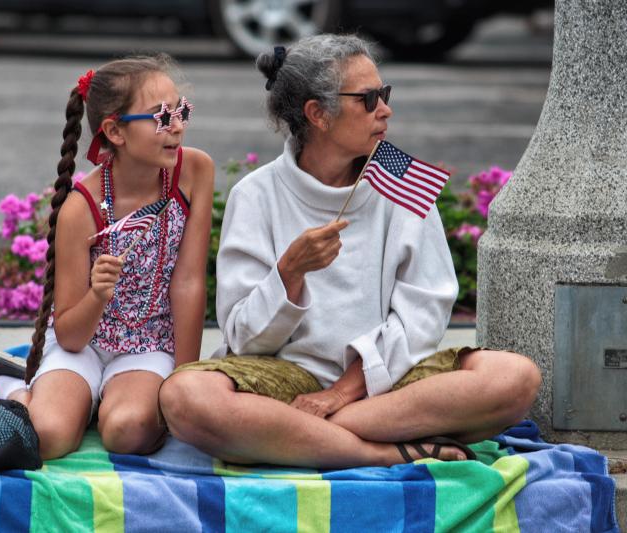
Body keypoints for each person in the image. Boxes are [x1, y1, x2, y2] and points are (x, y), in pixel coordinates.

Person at [158, 35, 541, 469]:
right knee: (186, 397)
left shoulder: (402, 182)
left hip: (387, 385)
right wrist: (289, 274)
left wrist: (341, 393)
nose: (385, 109)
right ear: (317, 114)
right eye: (369, 99)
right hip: (286, 380)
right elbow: (243, 339)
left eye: (385, 94)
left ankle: (297, 436)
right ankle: (375, 452)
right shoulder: (256, 195)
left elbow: (423, 317)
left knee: (514, 378)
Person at [0, 55, 214, 460]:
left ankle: (109, 401)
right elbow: (70, 335)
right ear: (115, 131)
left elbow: (188, 283)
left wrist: (182, 383)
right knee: (48, 436)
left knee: (127, 433)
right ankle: (13, 387)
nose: (178, 126)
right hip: (85, 345)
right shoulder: (82, 209)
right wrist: (98, 294)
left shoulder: (194, 172)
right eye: (161, 117)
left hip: (151, 343)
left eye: (181, 111)